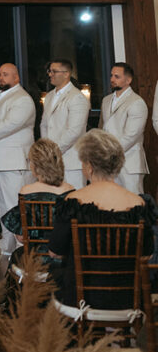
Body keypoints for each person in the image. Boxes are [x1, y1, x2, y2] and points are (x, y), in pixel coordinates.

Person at [48, 129, 156, 309]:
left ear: (89, 166)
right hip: (128, 297)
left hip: (82, 297)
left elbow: (55, 251)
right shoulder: (138, 203)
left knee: (54, 275)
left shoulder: (73, 201)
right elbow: (147, 254)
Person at [0, 63, 36, 257]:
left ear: (17, 77)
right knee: (3, 205)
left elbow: (11, 124)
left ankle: (22, 249)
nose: (1, 78)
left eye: (6, 75)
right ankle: (6, 244)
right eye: (0, 74)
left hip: (14, 162)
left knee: (16, 205)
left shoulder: (23, 99)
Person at [0, 138, 73, 267]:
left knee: (16, 257)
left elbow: (21, 237)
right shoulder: (70, 190)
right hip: (64, 258)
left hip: (35, 258)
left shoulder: (26, 191)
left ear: (35, 166)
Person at [39, 58, 89, 190]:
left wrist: (54, 151)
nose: (50, 74)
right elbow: (44, 124)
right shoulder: (49, 96)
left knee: (75, 200)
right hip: (52, 160)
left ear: (66, 74)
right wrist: (46, 149)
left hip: (72, 160)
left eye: (54, 71)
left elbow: (74, 131)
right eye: (50, 71)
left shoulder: (76, 97)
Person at [100, 62, 148, 194]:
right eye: (111, 76)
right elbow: (103, 129)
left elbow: (131, 135)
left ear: (128, 80)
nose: (112, 79)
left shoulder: (136, 102)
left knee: (133, 204)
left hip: (129, 161)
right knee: (112, 203)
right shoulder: (106, 100)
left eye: (117, 76)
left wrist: (109, 153)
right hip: (108, 162)